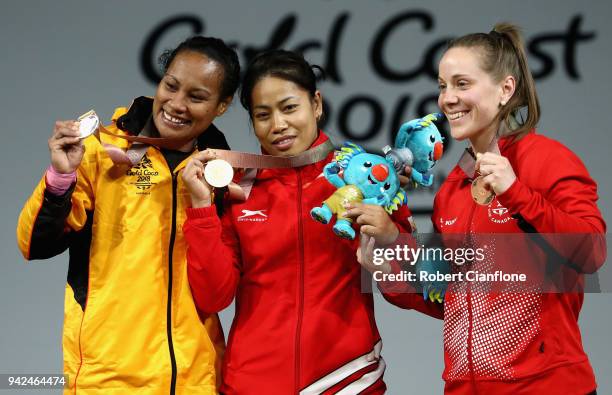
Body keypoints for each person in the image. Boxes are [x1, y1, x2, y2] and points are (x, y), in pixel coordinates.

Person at [181, 49, 441, 394]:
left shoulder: (365, 178)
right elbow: (214, 297)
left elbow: (409, 294)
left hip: (348, 382)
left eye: (290, 108)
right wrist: (201, 208)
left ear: (315, 104)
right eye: (262, 115)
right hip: (253, 385)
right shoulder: (240, 188)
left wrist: (393, 236)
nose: (278, 125)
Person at [365, 23, 606, 394]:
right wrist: (391, 268)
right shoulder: (452, 189)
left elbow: (591, 252)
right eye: (443, 86)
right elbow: (452, 300)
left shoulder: (546, 160)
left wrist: (516, 193)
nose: (447, 99)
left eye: (462, 84)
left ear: (505, 89)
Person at [16, 36, 240, 394]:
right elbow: (34, 244)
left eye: (197, 97)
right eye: (171, 86)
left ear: (222, 105)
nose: (176, 104)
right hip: (109, 381)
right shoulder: (100, 152)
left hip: (193, 382)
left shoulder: (221, 175)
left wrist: (203, 206)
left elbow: (215, 297)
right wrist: (60, 179)